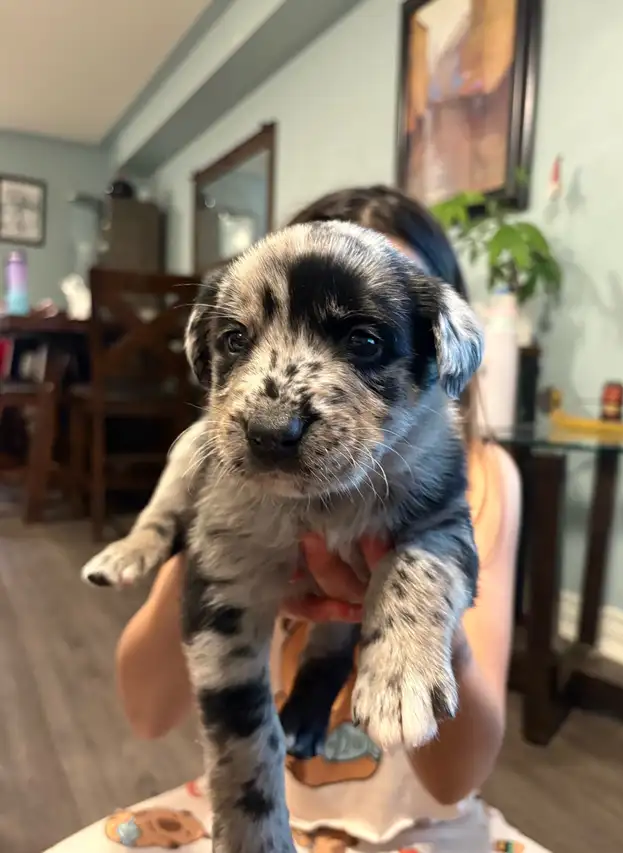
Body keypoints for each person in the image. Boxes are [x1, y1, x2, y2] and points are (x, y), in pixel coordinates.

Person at [47, 186, 545, 853]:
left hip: (420, 819)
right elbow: (145, 712)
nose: (273, 414)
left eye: (363, 340)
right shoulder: (221, 484)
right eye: (238, 339)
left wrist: (429, 622)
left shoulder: (482, 479)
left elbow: (456, 778)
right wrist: (201, 557)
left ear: (441, 352)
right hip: (248, 801)